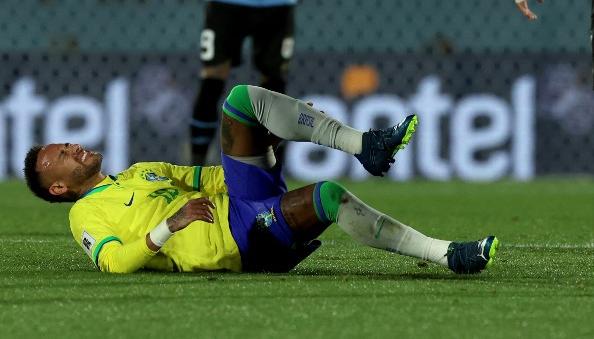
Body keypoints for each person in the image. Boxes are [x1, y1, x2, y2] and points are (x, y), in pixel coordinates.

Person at [23, 85, 499, 274]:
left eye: (65, 143)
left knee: (240, 103)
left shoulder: (141, 172)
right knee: (328, 196)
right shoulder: (86, 214)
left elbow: (214, 176)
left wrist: (266, 146)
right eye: (58, 156)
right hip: (242, 241)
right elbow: (114, 264)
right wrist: (170, 226)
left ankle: (366, 146)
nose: (69, 147)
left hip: (242, 202)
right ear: (59, 189)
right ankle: (447, 254)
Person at [191, 0, 296, 164]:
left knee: (274, 87)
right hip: (227, 5)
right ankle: (196, 167)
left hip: (277, 5)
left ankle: (271, 170)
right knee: (212, 80)